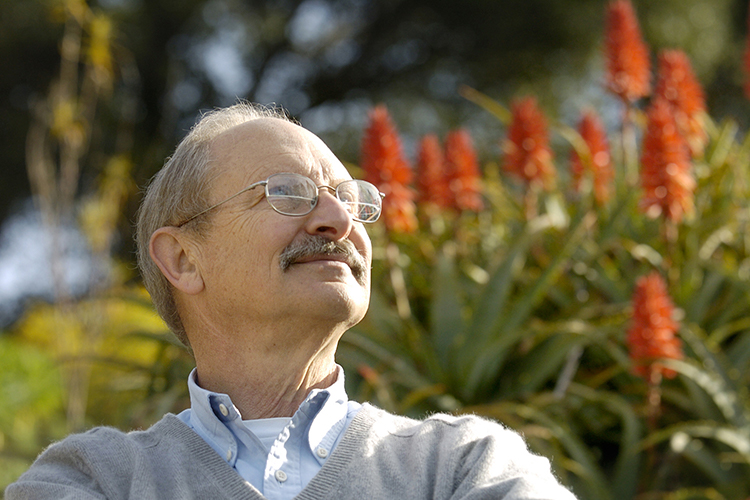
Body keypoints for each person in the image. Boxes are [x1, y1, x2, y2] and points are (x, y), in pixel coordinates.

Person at [6, 102, 577, 499]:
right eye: (286, 194)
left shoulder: (465, 465)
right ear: (182, 259)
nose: (337, 219)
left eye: (350, 199)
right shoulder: (90, 480)